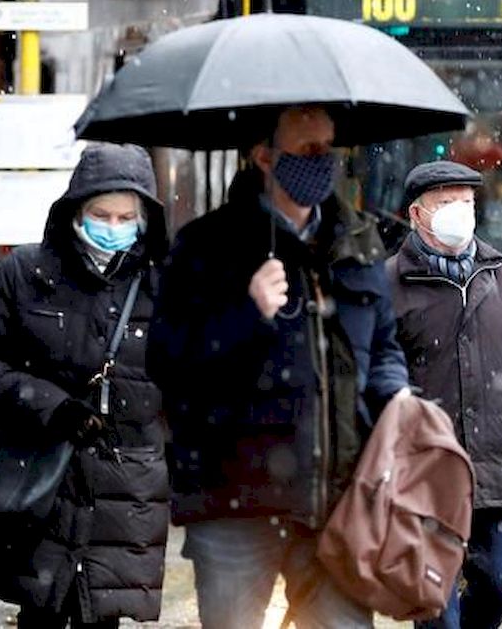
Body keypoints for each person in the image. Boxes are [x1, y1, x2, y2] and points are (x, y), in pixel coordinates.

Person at [147, 104, 412, 628]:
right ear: (264, 156)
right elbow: (169, 361)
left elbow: (381, 346)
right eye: (307, 152)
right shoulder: (205, 246)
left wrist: (396, 394)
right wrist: (247, 314)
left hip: (336, 503)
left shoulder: (356, 242)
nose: (322, 163)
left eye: (328, 150)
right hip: (234, 504)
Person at [0, 143, 170, 628]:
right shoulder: (26, 273)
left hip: (125, 488)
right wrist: (50, 407)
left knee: (103, 615)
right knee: (41, 609)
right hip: (41, 479)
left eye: (125, 216)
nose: (113, 226)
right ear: (77, 209)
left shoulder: (164, 285)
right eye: (101, 213)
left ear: (143, 218)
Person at [385, 160, 502, 629]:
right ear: (417, 215)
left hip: (496, 471)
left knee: (501, 585)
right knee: (436, 606)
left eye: (466, 202)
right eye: (446, 203)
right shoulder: (389, 284)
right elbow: (373, 373)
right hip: (424, 476)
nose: (459, 212)